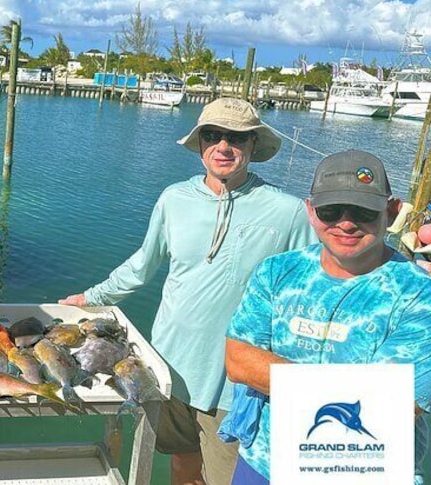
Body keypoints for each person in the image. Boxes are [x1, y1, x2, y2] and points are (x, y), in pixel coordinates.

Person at [60, 97, 317, 485]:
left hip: (237, 381)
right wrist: (91, 298)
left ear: (253, 146)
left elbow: (317, 281)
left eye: (237, 138)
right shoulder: (173, 199)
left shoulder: (288, 211)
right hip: (168, 367)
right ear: (199, 144)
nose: (223, 146)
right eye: (212, 136)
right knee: (181, 462)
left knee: (226, 476)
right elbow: (142, 265)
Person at [225, 150, 431, 483]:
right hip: (264, 463)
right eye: (331, 210)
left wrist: (272, 374)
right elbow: (238, 362)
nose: (346, 223)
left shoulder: (421, 295)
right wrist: (354, 390)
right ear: (310, 211)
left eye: (363, 211)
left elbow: (396, 405)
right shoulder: (276, 272)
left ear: (391, 211)